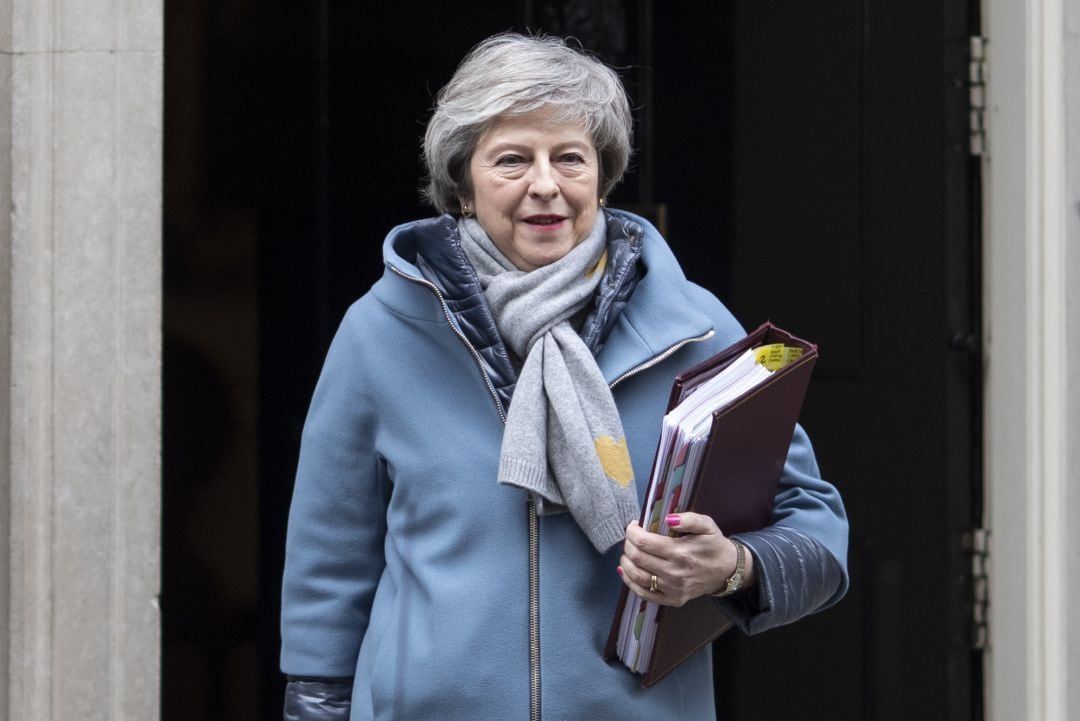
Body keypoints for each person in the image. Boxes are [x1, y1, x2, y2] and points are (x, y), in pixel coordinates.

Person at [280, 32, 848, 721]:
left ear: (602, 175)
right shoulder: (381, 331)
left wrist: (730, 566)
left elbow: (816, 531)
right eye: (512, 159)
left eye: (569, 158)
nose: (545, 184)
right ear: (462, 182)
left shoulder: (695, 329)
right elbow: (327, 567)